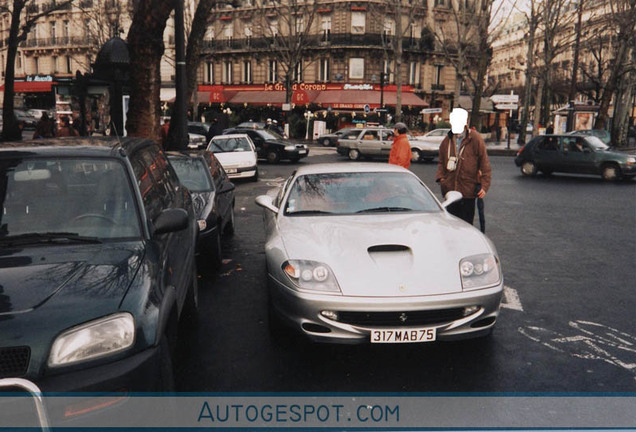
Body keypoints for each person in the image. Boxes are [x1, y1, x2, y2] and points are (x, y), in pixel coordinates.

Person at [436, 108, 491, 225]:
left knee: (466, 225)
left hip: (468, 191)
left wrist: (484, 185)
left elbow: (484, 163)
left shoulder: (475, 138)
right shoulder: (447, 140)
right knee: (451, 225)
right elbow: (441, 161)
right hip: (451, 191)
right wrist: (442, 179)